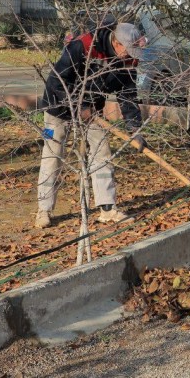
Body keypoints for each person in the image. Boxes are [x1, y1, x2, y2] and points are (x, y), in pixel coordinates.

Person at [35, 22, 148, 229]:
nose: (130, 55)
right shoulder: (84, 45)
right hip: (58, 105)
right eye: (127, 50)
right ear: (116, 42)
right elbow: (57, 81)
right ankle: (44, 209)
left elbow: (128, 95)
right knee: (53, 152)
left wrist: (135, 129)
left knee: (101, 152)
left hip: (92, 111)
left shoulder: (129, 59)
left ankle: (107, 209)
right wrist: (78, 105)